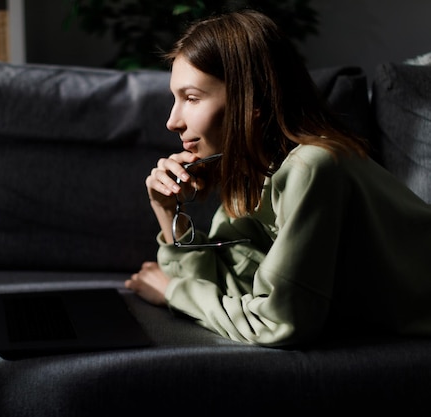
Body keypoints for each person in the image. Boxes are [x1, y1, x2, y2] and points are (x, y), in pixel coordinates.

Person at [124, 9, 431, 347]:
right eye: (175, 99)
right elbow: (225, 285)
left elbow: (278, 323)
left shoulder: (312, 166)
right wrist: (167, 211)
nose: (172, 121)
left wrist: (173, 292)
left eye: (192, 98)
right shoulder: (254, 172)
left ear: (253, 100)